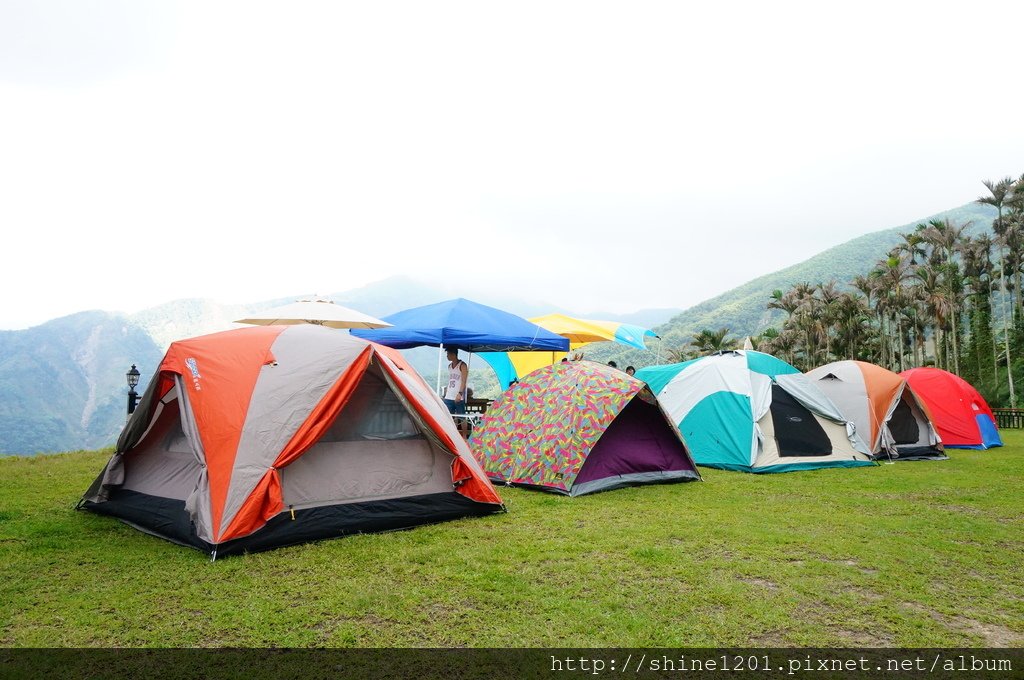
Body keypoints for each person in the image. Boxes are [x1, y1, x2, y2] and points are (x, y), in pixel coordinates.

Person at [443, 346, 468, 416]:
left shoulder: (462, 365)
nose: (447, 356)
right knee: (448, 416)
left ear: (453, 354)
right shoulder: (449, 366)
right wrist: (445, 393)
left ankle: (464, 427)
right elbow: (450, 380)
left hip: (458, 396)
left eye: (448, 354)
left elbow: (463, 381)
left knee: (461, 416)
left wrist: (460, 393)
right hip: (449, 396)